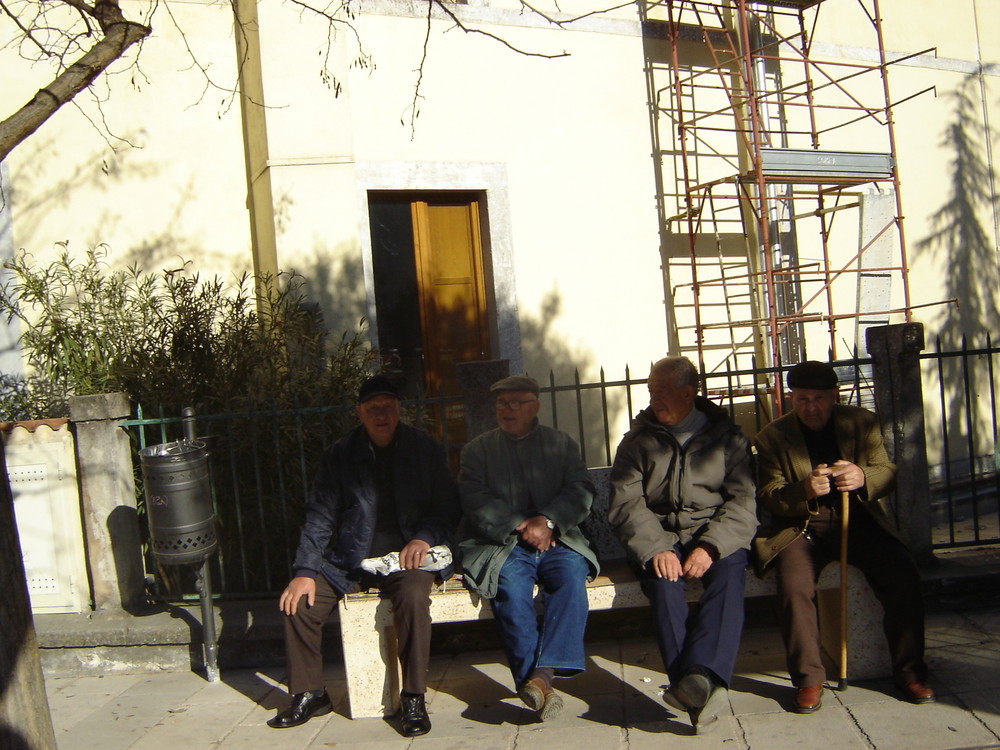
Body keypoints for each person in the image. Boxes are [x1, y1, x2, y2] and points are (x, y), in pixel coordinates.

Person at [267, 374, 460, 736]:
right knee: (299, 602)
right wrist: (305, 569)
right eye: (374, 408)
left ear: (399, 409)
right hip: (352, 559)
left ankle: (414, 697)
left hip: (408, 557)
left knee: (415, 598)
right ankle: (311, 692)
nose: (382, 414)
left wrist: (423, 537)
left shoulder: (423, 448)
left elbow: (448, 506)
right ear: (359, 413)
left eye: (388, 406)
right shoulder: (340, 455)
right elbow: (320, 515)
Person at [754, 360, 934, 714]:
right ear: (791, 399)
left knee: (902, 572)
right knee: (792, 588)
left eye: (818, 398)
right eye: (802, 398)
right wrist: (803, 489)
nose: (810, 407)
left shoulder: (861, 423)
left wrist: (862, 476)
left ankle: (909, 671)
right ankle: (808, 679)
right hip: (802, 527)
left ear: (834, 395)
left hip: (858, 521)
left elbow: (886, 471)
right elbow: (769, 495)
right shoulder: (773, 437)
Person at [608, 356, 757, 734]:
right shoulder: (637, 441)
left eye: (661, 390)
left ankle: (696, 680)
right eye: (650, 390)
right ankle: (697, 688)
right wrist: (656, 548)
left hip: (714, 532)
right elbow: (627, 503)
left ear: (688, 392)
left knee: (728, 577)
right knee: (664, 585)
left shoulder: (728, 438)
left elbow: (742, 502)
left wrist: (710, 547)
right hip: (659, 536)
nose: (653, 397)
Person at [458, 375, 599, 721]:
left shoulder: (561, 444)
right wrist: (522, 524)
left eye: (516, 402)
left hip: (559, 539)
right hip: (503, 544)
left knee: (570, 577)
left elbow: (580, 490)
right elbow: (474, 499)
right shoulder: (477, 450)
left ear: (535, 406)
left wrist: (549, 521)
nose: (507, 410)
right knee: (509, 588)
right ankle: (541, 682)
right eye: (501, 403)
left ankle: (539, 678)